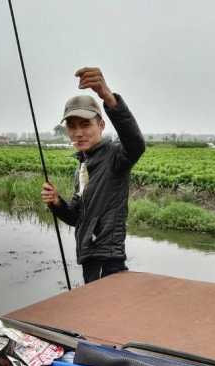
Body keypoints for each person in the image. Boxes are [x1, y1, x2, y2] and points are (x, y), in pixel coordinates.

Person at [41, 67, 145, 284]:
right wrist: (57, 203)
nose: (78, 133)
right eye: (72, 126)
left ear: (101, 124)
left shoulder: (115, 155)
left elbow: (136, 144)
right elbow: (76, 218)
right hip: (90, 259)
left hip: (107, 259)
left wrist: (108, 97)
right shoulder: (82, 165)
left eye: (86, 124)